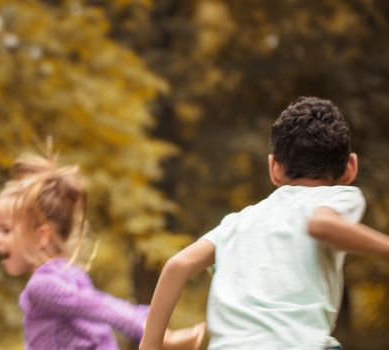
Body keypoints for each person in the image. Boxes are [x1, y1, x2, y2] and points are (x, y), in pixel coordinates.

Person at [141, 97, 389, 350]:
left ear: (273, 168)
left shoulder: (236, 223)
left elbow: (177, 265)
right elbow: (321, 225)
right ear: (351, 167)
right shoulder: (337, 196)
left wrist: (149, 347)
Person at [0, 153, 204, 350]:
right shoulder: (71, 275)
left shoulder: (42, 286)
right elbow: (96, 328)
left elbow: (102, 308)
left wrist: (153, 331)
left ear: (41, 236)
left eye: (6, 230)